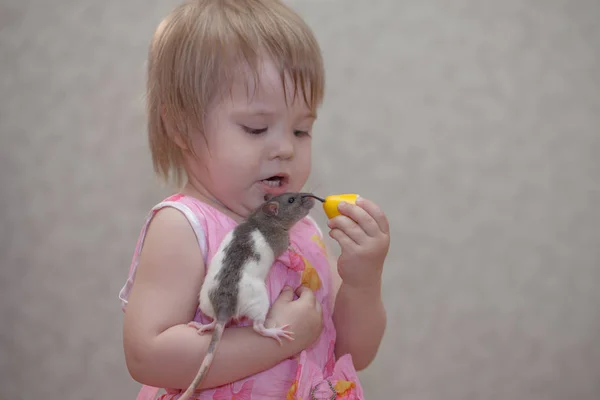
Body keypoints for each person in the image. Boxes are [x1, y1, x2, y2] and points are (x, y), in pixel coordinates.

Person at [118, 0, 390, 398]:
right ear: (180, 127)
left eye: (301, 131)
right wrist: (277, 339)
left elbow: (355, 351)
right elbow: (147, 355)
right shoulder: (183, 226)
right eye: (256, 128)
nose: (284, 149)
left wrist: (364, 280)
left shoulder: (302, 231)